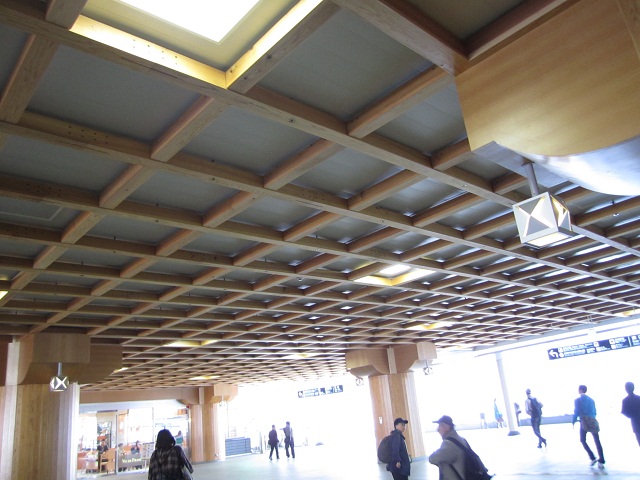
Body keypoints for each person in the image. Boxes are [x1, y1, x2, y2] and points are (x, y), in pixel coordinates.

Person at [430, 415, 487, 480]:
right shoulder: (460, 439)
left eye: (440, 426)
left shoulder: (449, 444)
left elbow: (433, 459)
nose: (438, 429)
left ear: (447, 427)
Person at [573, 384, 605, 468]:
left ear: (580, 390)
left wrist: (573, 420)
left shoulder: (577, 400)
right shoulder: (591, 400)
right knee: (597, 441)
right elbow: (594, 411)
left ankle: (592, 457)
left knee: (582, 440)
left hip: (584, 422)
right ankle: (601, 460)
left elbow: (576, 412)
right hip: (592, 421)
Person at [621, 381, 640, 446]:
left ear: (626, 389)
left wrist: (633, 415)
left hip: (635, 423)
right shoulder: (638, 398)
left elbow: (624, 412)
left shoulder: (625, 400)